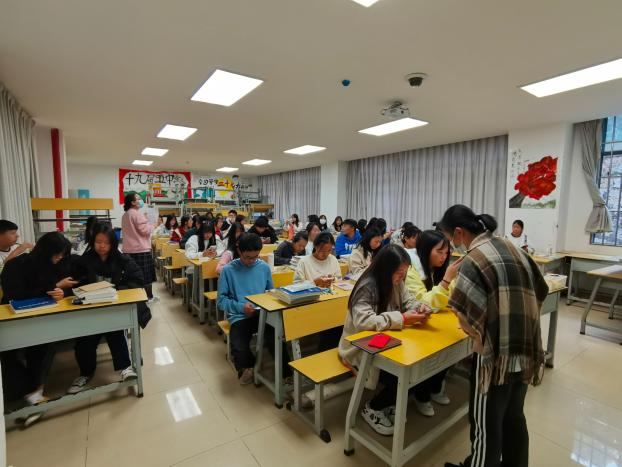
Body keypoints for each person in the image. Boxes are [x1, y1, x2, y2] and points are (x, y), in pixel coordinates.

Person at [437, 205, 548, 467]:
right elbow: (541, 289)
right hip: (525, 347)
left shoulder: (474, 259)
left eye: (449, 237)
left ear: (459, 232)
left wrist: (478, 331)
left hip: (494, 357)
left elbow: (465, 318)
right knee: (514, 417)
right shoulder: (511, 246)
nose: (451, 244)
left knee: (486, 425)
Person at [338, 244, 430, 436]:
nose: (401, 278)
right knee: (403, 373)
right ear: (385, 269)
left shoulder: (396, 281)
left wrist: (419, 307)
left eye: (404, 273)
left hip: (385, 340)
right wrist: (402, 318)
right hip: (359, 347)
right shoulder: (367, 286)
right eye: (398, 273)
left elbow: (408, 300)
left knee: (420, 365)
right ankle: (373, 406)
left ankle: (389, 401)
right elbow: (365, 322)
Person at [1, 232, 77, 411]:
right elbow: (15, 295)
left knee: (42, 346)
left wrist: (59, 292)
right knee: (9, 354)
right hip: (12, 318)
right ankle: (22, 393)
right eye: (57, 255)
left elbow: (54, 288)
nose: (59, 259)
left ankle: (34, 390)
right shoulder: (15, 266)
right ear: (46, 252)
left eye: (61, 256)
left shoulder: (50, 266)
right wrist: (49, 291)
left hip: (40, 318)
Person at [67, 225, 140, 394]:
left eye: (106, 242)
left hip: (112, 308)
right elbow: (75, 283)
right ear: (92, 242)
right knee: (85, 340)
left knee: (116, 332)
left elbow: (137, 279)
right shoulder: (85, 261)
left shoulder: (121, 259)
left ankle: (125, 368)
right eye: (98, 242)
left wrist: (117, 290)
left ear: (112, 243)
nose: (102, 246)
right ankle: (85, 373)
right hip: (89, 310)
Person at [217, 233, 290, 384]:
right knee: (238, 344)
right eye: (247, 257)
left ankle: (286, 374)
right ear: (239, 251)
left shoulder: (263, 267)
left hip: (262, 314)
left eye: (255, 257)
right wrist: (241, 307)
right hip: (240, 316)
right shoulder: (228, 270)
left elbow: (270, 293)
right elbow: (221, 301)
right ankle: (248, 366)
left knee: (276, 338)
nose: (251, 261)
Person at [404, 229, 463, 416]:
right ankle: (421, 393)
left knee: (452, 344)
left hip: (435, 321)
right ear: (425, 249)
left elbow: (451, 296)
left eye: (446, 253)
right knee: (431, 354)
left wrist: (451, 283)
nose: (443, 257)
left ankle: (435, 386)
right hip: (412, 325)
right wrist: (445, 281)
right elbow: (422, 303)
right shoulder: (411, 269)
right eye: (439, 252)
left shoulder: (440, 268)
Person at [294, 232, 343, 351]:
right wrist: (315, 282)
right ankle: (325, 350)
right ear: (315, 246)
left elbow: (339, 279)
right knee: (331, 323)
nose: (325, 254)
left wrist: (333, 280)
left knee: (340, 320)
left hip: (331, 301)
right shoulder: (304, 262)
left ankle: (331, 350)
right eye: (322, 250)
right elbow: (296, 285)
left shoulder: (333, 260)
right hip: (312, 303)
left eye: (329, 250)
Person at [121, 192, 156, 300]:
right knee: (145, 276)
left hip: (128, 250)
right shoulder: (136, 214)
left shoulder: (125, 215)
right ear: (132, 202)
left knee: (133, 276)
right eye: (138, 199)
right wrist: (153, 225)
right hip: (140, 250)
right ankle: (148, 297)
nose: (141, 200)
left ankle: (137, 298)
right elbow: (144, 231)